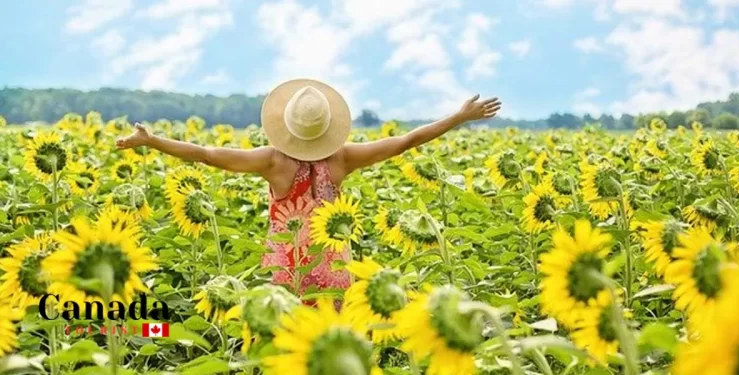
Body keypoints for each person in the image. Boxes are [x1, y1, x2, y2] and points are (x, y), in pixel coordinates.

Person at [116, 78, 501, 296]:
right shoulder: (343, 158)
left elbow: (206, 153)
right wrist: (458, 117)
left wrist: (153, 141)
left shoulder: (273, 161)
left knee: (292, 350)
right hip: (336, 269)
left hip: (290, 273)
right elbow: (406, 141)